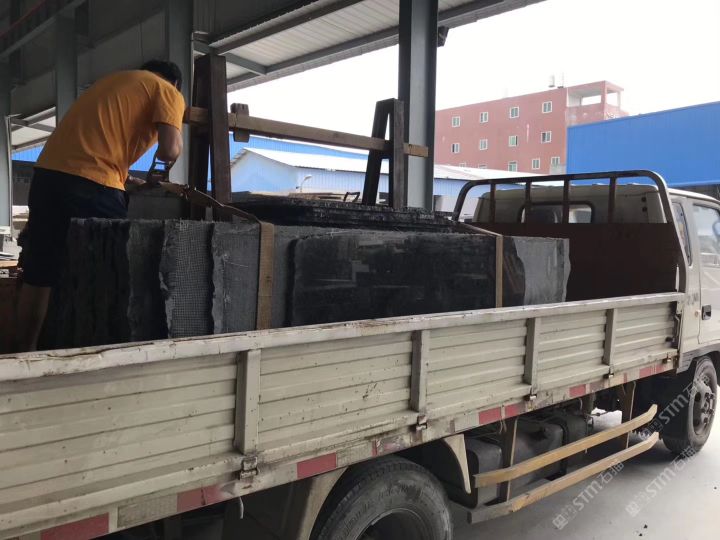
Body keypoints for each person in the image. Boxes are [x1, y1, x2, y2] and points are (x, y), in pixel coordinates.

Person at [15, 60, 186, 352]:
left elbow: (91, 145)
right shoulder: (167, 90)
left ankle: (21, 356)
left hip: (47, 177)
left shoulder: (114, 82)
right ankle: (95, 359)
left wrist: (125, 178)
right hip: (92, 184)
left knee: (39, 274)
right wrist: (162, 167)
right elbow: (170, 149)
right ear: (175, 84)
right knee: (109, 273)